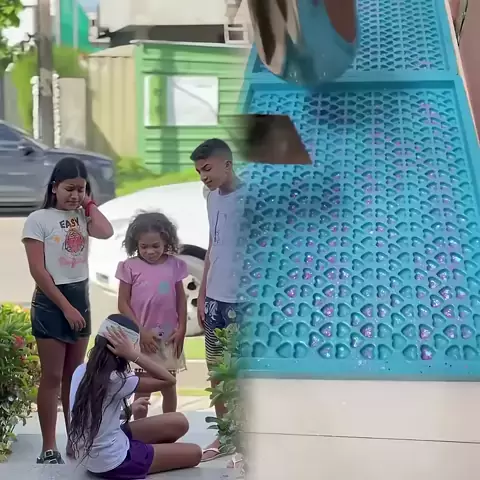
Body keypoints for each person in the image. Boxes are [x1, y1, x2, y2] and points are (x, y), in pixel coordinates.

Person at [21, 156, 114, 464]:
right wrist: (65, 307)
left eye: (81, 189)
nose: (75, 195)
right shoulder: (38, 219)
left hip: (79, 298)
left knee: (74, 377)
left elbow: (106, 231)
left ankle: (75, 439)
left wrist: (88, 204)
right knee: (52, 376)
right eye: (69, 189)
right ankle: (49, 447)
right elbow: (38, 270)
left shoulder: (83, 216)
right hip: (51, 303)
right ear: (54, 187)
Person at [69, 313, 202, 478]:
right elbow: (169, 380)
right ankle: (149, 454)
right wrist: (133, 355)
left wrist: (128, 410)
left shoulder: (81, 370)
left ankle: (156, 451)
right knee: (195, 453)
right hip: (114, 461)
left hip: (94, 452)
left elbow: (93, 414)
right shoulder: (117, 379)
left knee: (179, 421)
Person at [190, 139, 246, 462]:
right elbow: (213, 242)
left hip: (243, 301)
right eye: (199, 171)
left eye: (207, 169)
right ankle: (226, 434)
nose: (204, 176)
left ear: (228, 163)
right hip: (215, 300)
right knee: (217, 372)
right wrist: (202, 294)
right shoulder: (210, 197)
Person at [116, 212, 188, 418]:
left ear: (166, 241)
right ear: (135, 244)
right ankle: (140, 429)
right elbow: (123, 303)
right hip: (142, 338)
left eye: (156, 246)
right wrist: (141, 332)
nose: (150, 251)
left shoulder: (175, 265)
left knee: (169, 385)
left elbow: (181, 300)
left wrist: (182, 329)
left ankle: (168, 426)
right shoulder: (129, 267)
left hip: (169, 338)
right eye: (144, 246)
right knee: (143, 388)